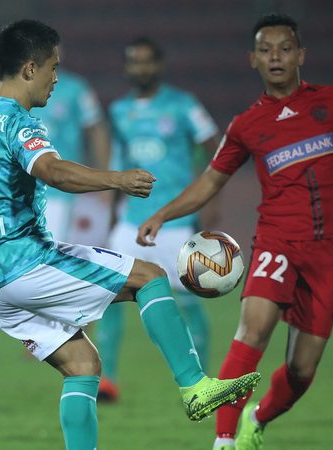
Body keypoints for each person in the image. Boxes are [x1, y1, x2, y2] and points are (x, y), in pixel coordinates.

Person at [0, 20, 260, 450]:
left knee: (83, 364)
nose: (56, 78)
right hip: (26, 264)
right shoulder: (19, 125)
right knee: (149, 277)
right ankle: (194, 386)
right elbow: (53, 171)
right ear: (29, 69)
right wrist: (116, 179)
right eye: (53, 68)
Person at [136, 14, 333, 450]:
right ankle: (224, 440)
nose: (276, 57)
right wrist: (163, 214)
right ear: (252, 59)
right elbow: (211, 180)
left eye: (285, 48)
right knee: (253, 330)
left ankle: (257, 419)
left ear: (301, 55)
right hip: (277, 240)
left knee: (301, 369)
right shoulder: (246, 125)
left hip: (330, 247)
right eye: (266, 50)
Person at [96, 37, 221, 402]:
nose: (141, 68)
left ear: (159, 65)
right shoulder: (119, 110)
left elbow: (216, 149)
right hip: (130, 223)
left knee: (190, 302)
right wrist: (111, 213)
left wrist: (211, 202)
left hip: (177, 224)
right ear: (126, 67)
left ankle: (201, 381)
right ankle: (107, 379)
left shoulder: (184, 105)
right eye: (134, 61)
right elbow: (118, 163)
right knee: (107, 296)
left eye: (147, 61)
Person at [31, 67, 110, 243]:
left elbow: (97, 129)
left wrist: (104, 176)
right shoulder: (18, 86)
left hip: (56, 188)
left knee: (48, 249)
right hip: (19, 187)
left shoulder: (75, 89)